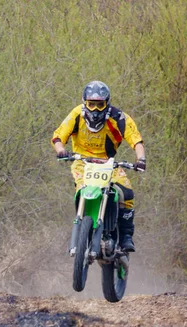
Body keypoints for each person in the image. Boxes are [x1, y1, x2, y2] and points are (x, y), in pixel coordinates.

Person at [51, 81, 146, 252]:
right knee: (82, 190)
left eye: (100, 105)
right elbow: (58, 136)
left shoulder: (118, 117)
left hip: (108, 164)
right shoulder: (76, 115)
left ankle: (125, 236)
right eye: (91, 104)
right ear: (84, 103)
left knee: (126, 193)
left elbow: (136, 140)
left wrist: (141, 159)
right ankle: (82, 227)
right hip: (82, 163)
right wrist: (61, 151)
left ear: (107, 103)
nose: (95, 109)